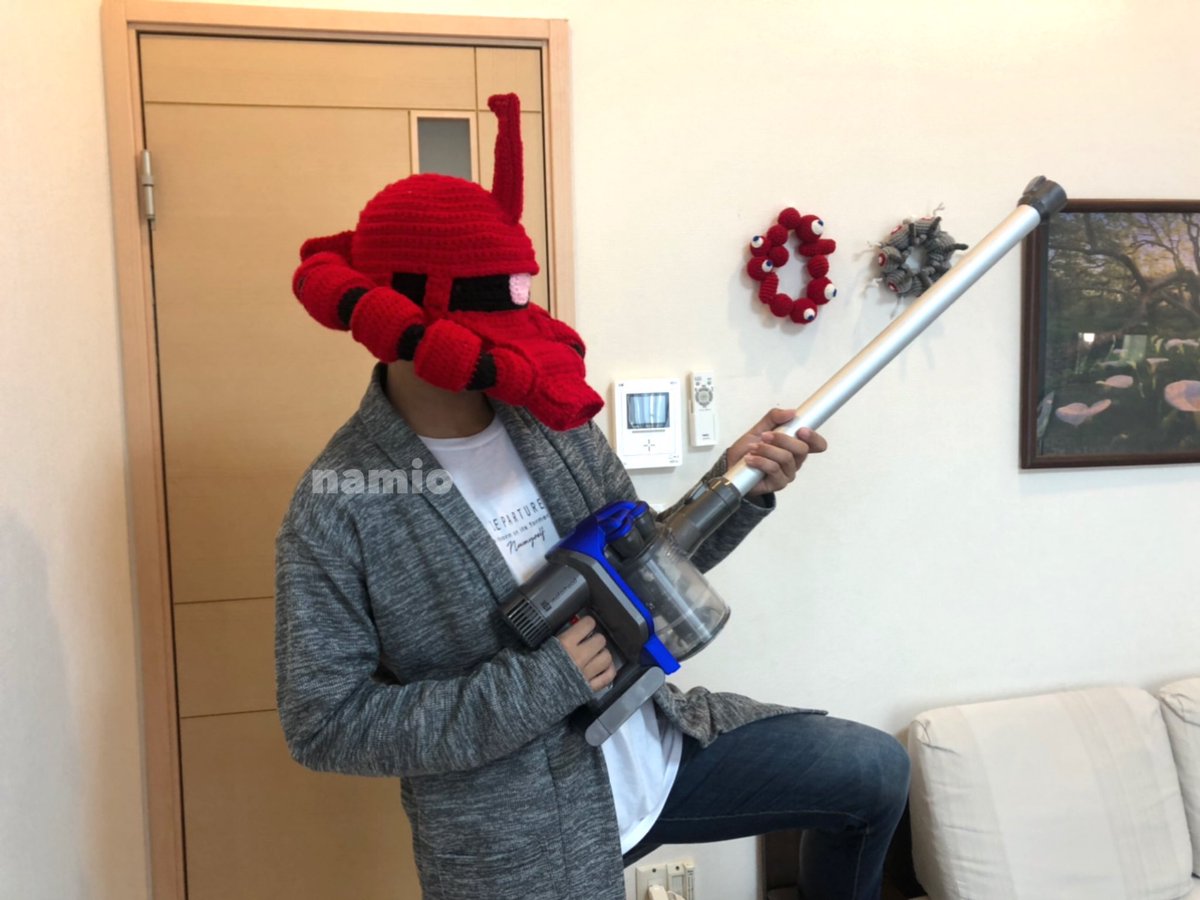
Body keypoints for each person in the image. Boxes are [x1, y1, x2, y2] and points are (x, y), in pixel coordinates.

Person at [275, 94, 910, 900]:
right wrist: (542, 683)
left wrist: (735, 481)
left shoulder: (547, 419)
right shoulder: (339, 503)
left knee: (872, 774)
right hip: (519, 833)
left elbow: (644, 560)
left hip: (658, 744)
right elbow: (325, 724)